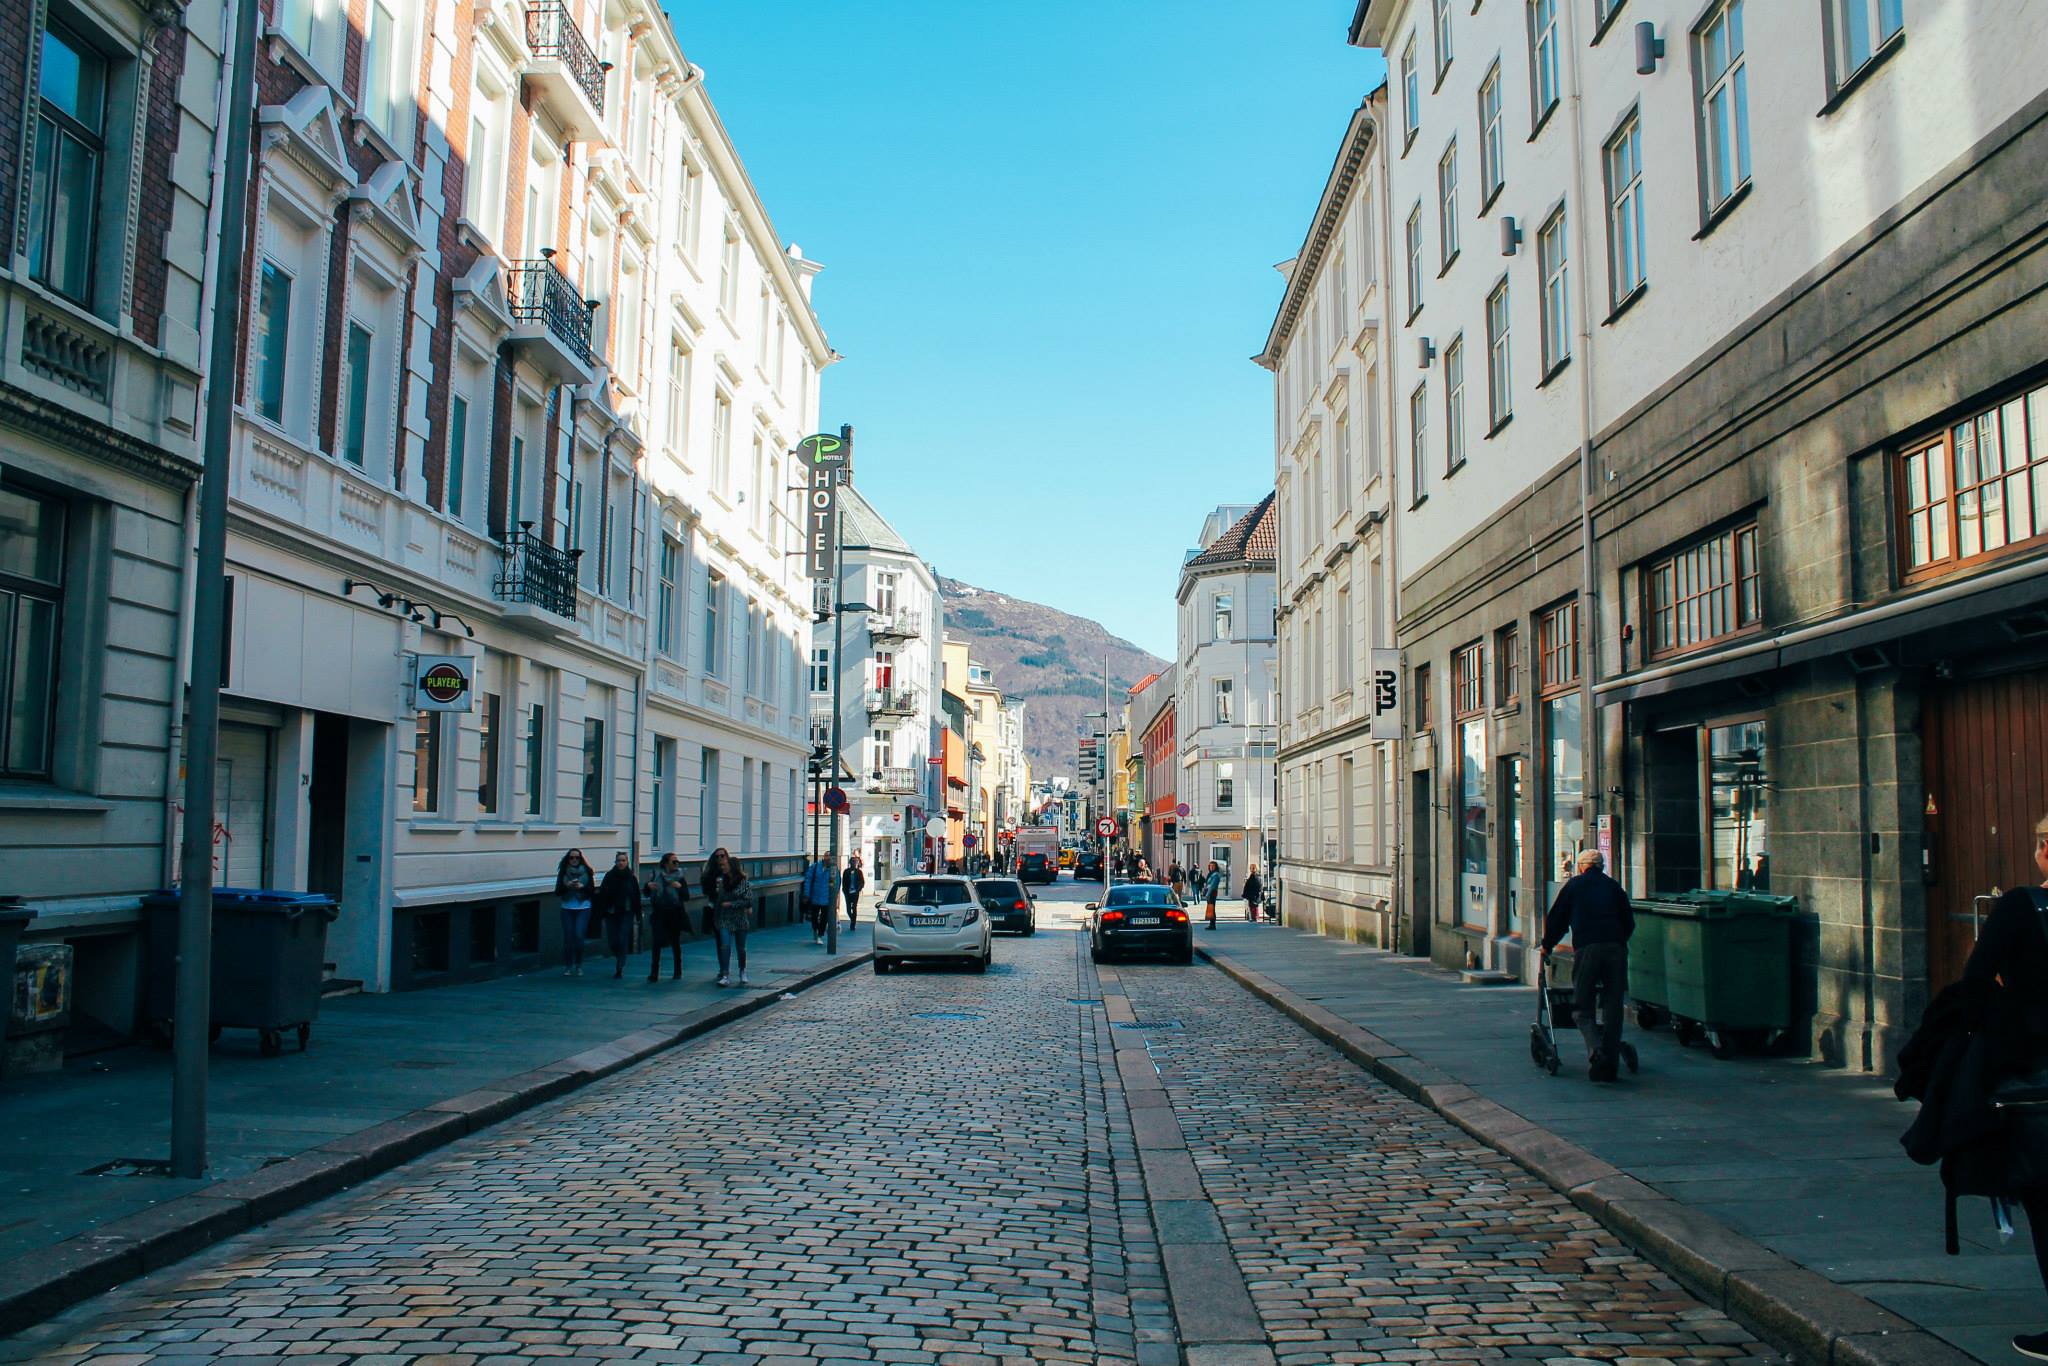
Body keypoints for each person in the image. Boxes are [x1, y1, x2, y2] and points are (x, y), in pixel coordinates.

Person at [1958, 816, 2048, 1360]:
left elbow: (1975, 981)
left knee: (2045, 1196)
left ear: (2044, 851)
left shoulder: (2021, 907)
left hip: (2040, 1074)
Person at [1539, 849, 1636, 1082]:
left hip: (1587, 948)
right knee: (1613, 1006)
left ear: (1582, 867)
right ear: (1601, 866)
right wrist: (1618, 940)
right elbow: (1629, 921)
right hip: (1616, 948)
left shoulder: (1574, 886)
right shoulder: (1614, 887)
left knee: (1582, 1005)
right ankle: (1610, 1063)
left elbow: (1557, 919)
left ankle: (1596, 1050)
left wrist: (1547, 945)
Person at [703, 847, 752, 987]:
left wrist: (732, 904)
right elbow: (716, 899)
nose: (722, 867)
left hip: (739, 918)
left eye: (725, 865)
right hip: (724, 918)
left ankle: (742, 970)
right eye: (721, 865)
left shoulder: (743, 882)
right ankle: (725, 974)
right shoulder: (721, 881)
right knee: (724, 945)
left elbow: (748, 900)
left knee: (741, 947)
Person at [643, 852, 689, 982]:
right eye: (673, 861)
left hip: (674, 912)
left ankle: (677, 970)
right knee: (656, 942)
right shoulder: (656, 875)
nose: (676, 864)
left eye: (677, 861)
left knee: (675, 942)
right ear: (666, 863)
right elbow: (646, 893)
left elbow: (686, 896)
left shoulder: (679, 877)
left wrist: (679, 888)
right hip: (659, 912)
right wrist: (648, 886)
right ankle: (654, 972)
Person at [595, 852, 641, 979]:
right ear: (615, 862)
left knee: (622, 937)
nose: (621, 863)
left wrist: (638, 914)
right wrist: (601, 911)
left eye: (623, 860)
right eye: (618, 860)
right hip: (612, 912)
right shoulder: (609, 876)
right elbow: (602, 894)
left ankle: (620, 964)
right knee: (613, 941)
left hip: (626, 912)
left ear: (627, 862)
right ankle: (618, 956)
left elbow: (636, 896)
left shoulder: (631, 877)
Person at [554, 849, 594, 977]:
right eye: (571, 858)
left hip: (583, 906)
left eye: (577, 858)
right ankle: (568, 965)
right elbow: (557, 891)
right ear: (568, 859)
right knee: (568, 937)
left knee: (579, 935)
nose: (574, 860)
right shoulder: (563, 872)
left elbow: (592, 890)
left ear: (580, 859)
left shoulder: (587, 872)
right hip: (567, 907)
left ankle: (579, 964)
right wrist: (567, 886)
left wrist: (582, 887)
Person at [801, 856, 834, 944]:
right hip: (815, 897)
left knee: (824, 918)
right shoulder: (815, 867)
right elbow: (808, 880)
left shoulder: (833, 869)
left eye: (829, 857)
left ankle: (820, 934)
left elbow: (836, 883)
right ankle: (815, 930)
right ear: (824, 858)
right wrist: (807, 894)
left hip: (826, 898)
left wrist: (834, 897)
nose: (828, 859)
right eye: (827, 856)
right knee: (814, 917)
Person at [842, 855, 866, 928]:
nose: (854, 863)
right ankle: (852, 919)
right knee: (848, 909)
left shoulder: (859, 872)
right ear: (850, 863)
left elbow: (862, 882)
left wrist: (859, 889)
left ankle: (853, 923)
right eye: (852, 862)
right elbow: (844, 881)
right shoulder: (846, 871)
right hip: (848, 892)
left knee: (854, 907)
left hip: (855, 892)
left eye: (855, 862)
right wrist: (844, 890)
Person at [1202, 861, 1224, 930]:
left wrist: (1207, 894)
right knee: (1211, 908)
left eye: (1213, 866)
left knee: (1212, 908)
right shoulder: (1211, 874)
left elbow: (1212, 886)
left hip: (1212, 893)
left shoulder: (1215, 875)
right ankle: (1211, 923)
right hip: (1210, 892)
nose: (1211, 867)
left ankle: (1212, 924)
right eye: (1210, 866)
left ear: (1215, 867)